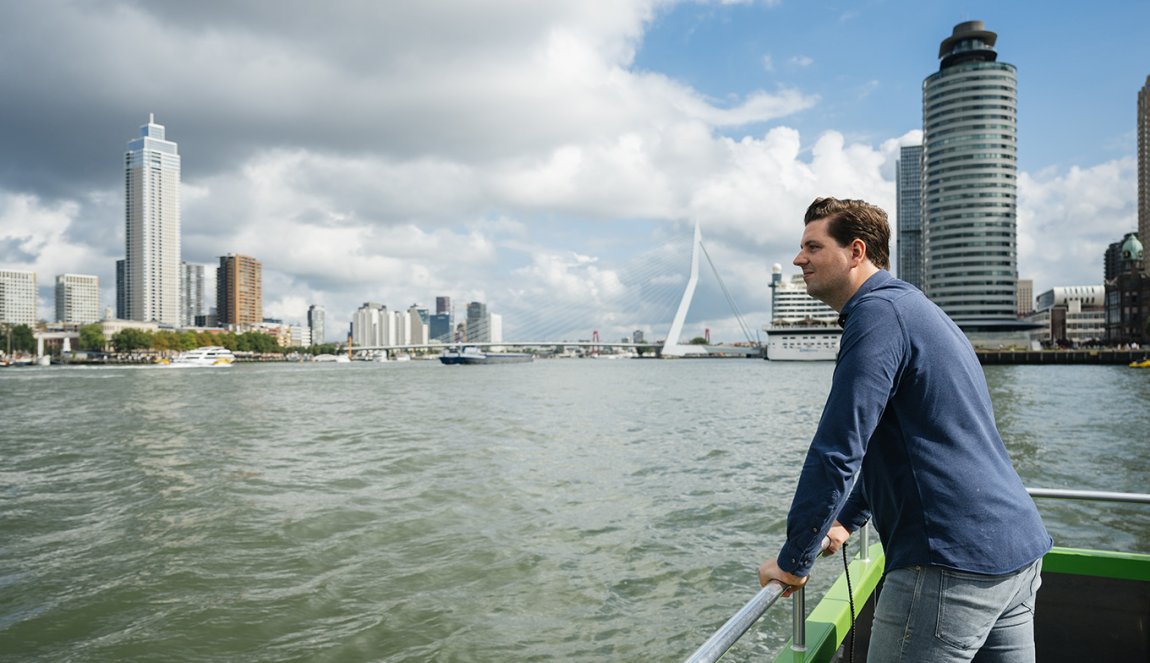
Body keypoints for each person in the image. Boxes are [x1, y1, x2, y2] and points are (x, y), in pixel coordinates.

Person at [758, 197, 1051, 662]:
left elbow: (838, 448)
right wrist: (843, 520)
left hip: (948, 565)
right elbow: (916, 441)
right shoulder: (917, 311)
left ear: (856, 252)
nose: (799, 259)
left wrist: (796, 557)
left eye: (812, 247)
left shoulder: (875, 317)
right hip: (1016, 551)